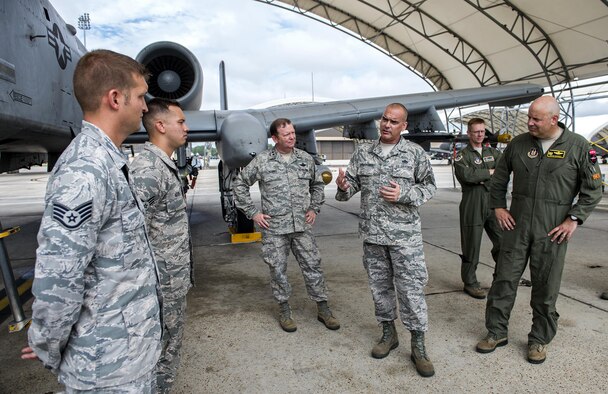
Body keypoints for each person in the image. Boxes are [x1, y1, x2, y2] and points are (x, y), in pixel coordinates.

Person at [21, 50, 161, 392]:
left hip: (129, 355)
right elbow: (59, 278)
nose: (145, 107)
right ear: (115, 98)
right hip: (105, 368)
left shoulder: (107, 161)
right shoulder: (84, 171)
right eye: (141, 97)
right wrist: (46, 344)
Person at [476, 96, 603, 364]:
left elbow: (593, 190)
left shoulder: (578, 146)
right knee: (503, 281)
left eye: (536, 119)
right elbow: (499, 178)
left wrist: (573, 220)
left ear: (554, 119)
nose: (530, 123)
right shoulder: (519, 144)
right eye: (530, 117)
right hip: (517, 226)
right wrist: (498, 207)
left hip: (553, 229)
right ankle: (496, 332)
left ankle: (539, 339)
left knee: (546, 288)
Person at [335, 103, 437, 377]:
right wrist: (343, 186)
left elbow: (429, 187)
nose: (387, 125)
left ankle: (418, 344)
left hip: (405, 238)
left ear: (404, 126)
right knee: (380, 289)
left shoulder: (415, 153)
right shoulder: (363, 152)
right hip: (373, 236)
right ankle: (388, 334)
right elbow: (351, 187)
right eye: (384, 119)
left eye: (394, 121)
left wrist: (403, 194)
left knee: (411, 290)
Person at [233, 118, 340, 333]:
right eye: (286, 134)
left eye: (293, 133)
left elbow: (318, 185)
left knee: (313, 267)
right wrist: (253, 213)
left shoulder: (305, 159)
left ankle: (323, 309)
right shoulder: (262, 161)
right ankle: (284, 310)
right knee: (278, 270)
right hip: (274, 230)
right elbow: (240, 184)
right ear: (274, 138)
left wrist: (313, 208)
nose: (292, 137)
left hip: (302, 226)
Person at [131, 98, 194, 393]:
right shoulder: (147, 170)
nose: (187, 127)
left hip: (171, 280)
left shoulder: (162, 165)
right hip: (159, 285)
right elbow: (127, 230)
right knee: (161, 350)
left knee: (169, 345)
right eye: (180, 122)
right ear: (160, 125)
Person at [454, 118, 502, 299]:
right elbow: (466, 176)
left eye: (482, 131)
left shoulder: (494, 153)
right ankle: (470, 282)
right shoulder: (462, 156)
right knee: (471, 245)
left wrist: (480, 176)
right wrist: (489, 172)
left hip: (493, 202)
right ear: (469, 133)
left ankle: (501, 278)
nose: (480, 135)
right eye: (476, 131)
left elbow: (503, 172)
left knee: (503, 242)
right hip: (472, 203)